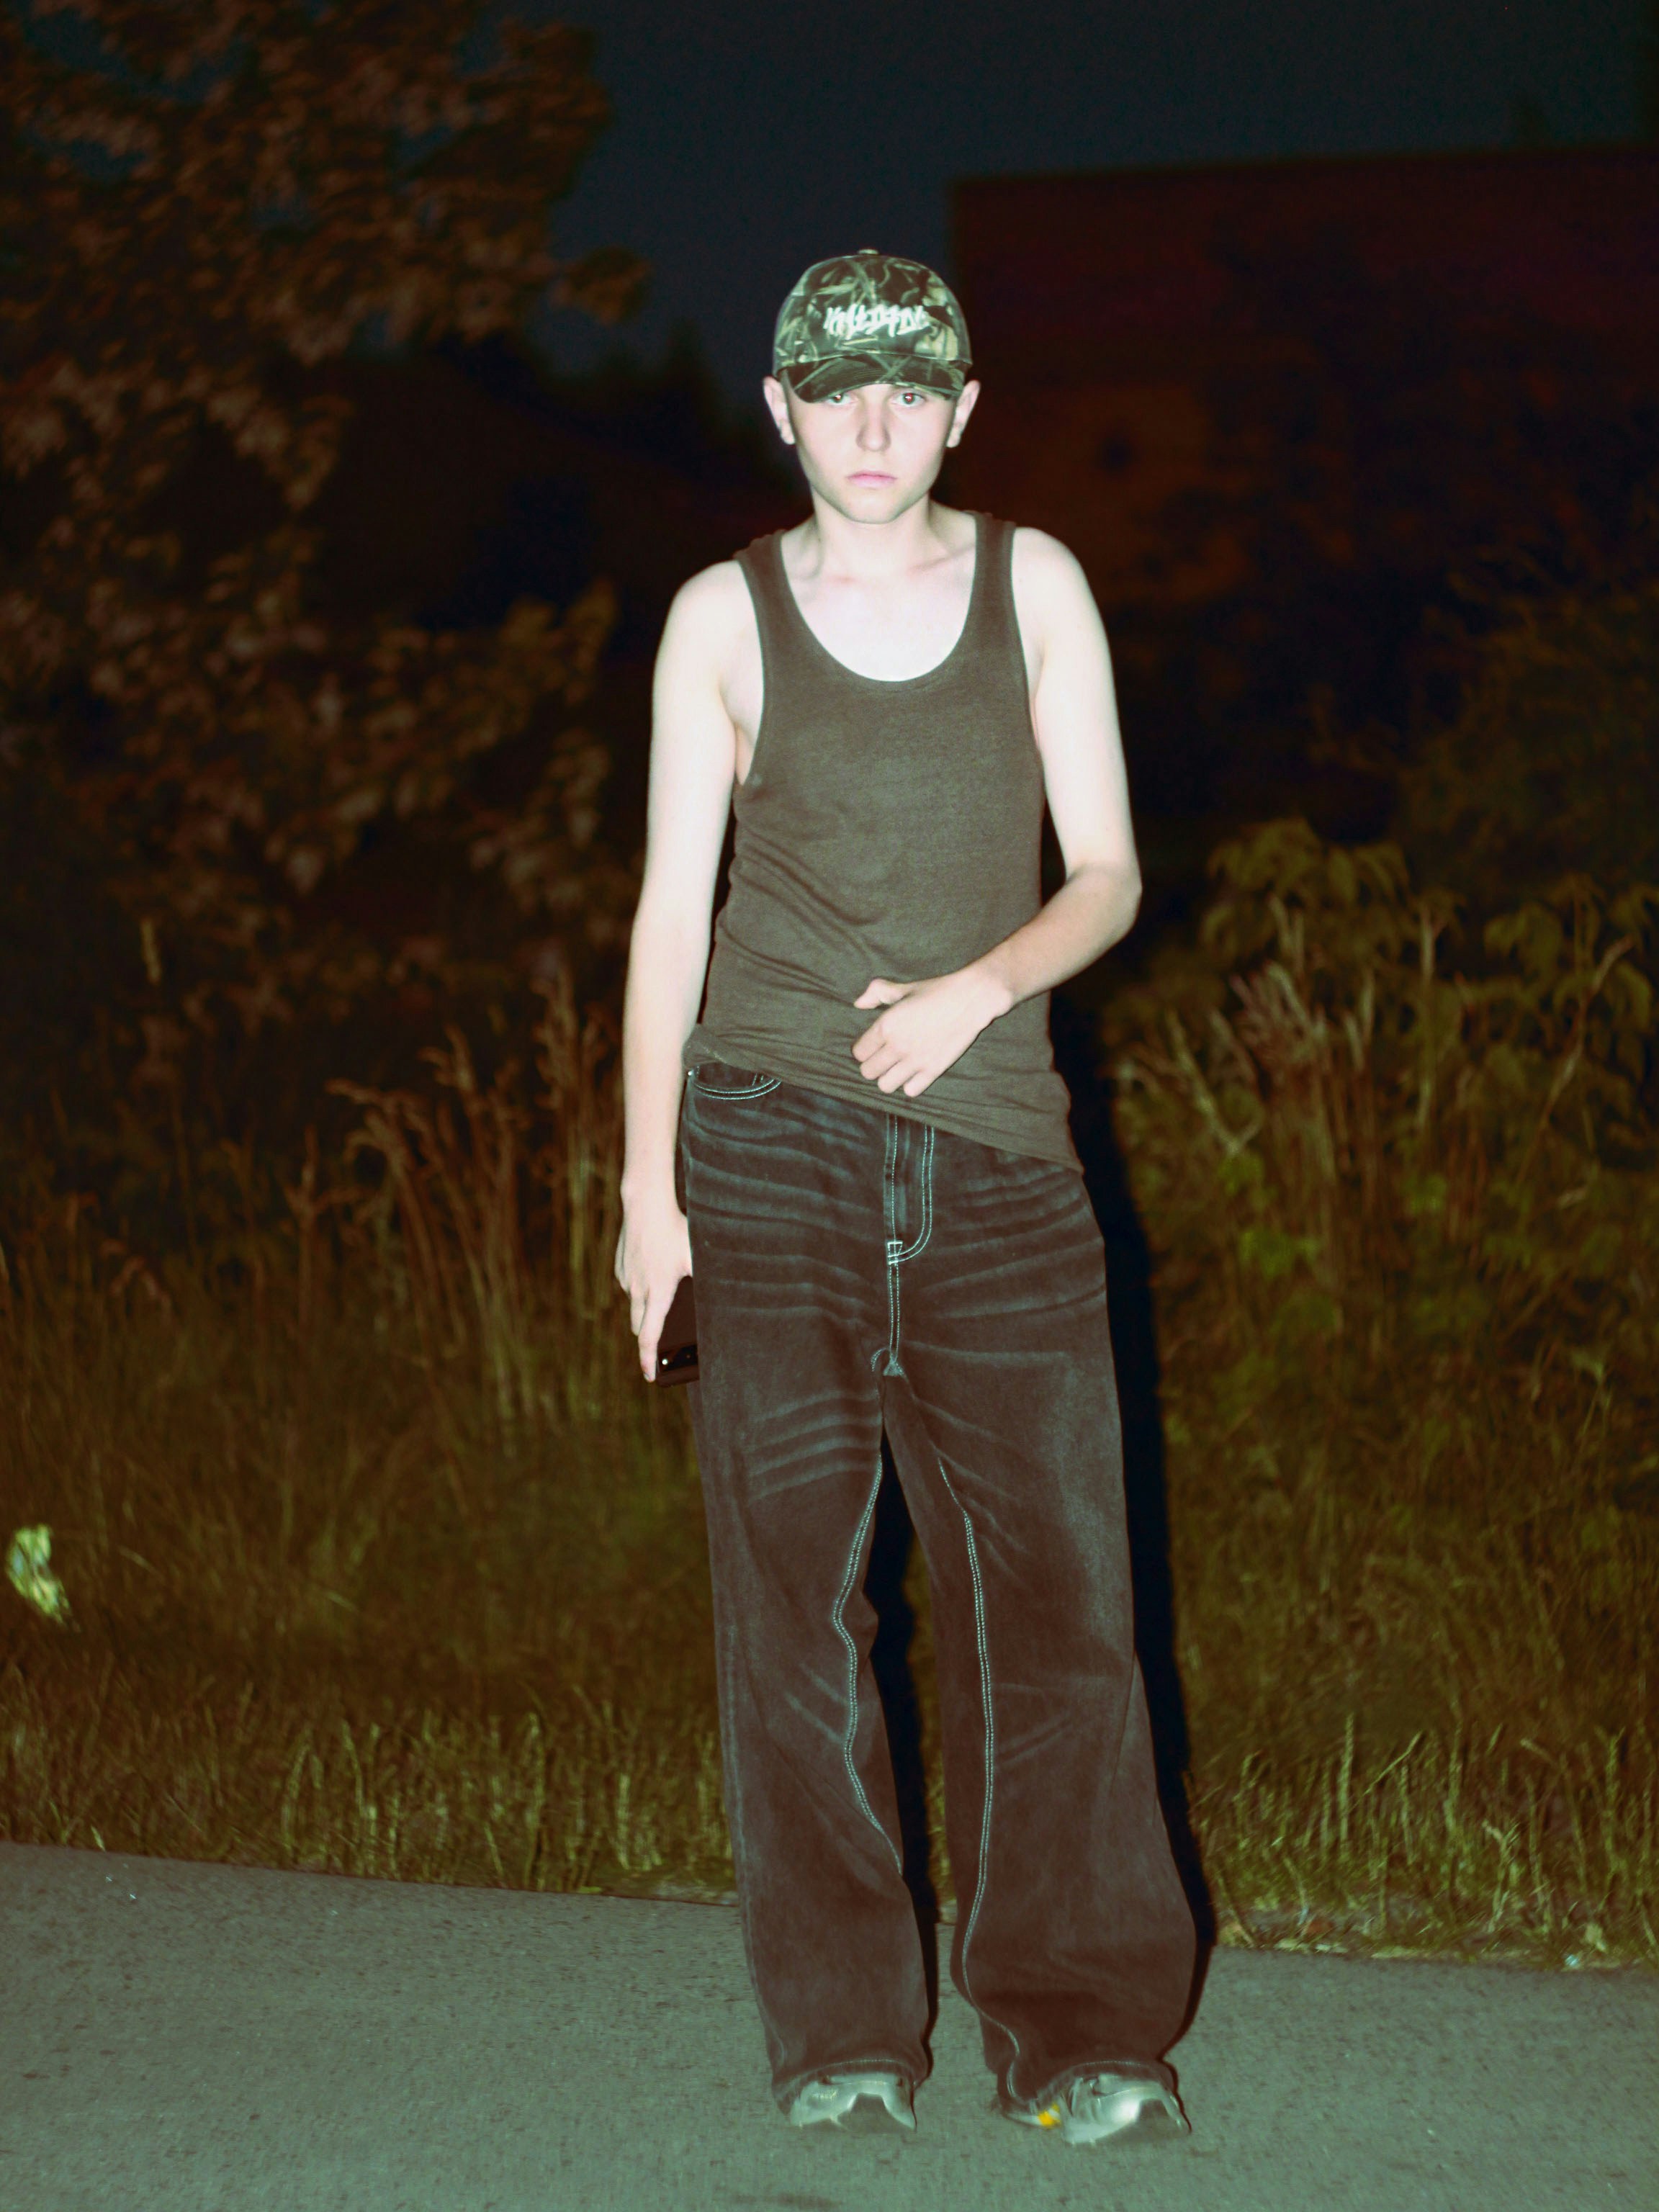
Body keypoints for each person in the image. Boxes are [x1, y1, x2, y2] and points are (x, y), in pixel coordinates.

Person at [613, 249, 1195, 2146]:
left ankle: (1087, 2027)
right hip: (766, 1143)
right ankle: (846, 2033)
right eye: (832, 388)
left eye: (908, 388)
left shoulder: (1037, 589)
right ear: (778, 411)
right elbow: (665, 920)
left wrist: (978, 987)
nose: (872, 422)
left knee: (1061, 1605)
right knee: (792, 1610)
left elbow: (1105, 873)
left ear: (962, 410)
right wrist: (646, 1194)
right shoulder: (719, 617)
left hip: (1003, 1143)